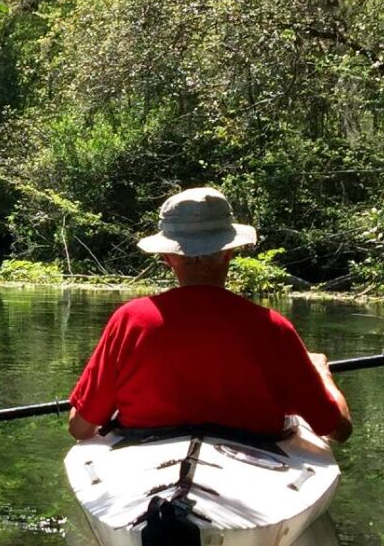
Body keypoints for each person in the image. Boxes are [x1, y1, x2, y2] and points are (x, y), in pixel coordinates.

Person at [66, 187, 352, 443]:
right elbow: (337, 429)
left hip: (145, 454)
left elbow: (80, 428)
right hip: (254, 461)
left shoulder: (129, 320)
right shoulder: (274, 327)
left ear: (166, 257)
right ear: (229, 252)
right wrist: (321, 373)